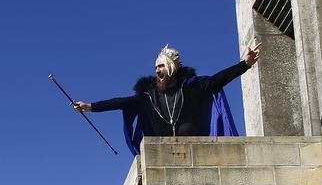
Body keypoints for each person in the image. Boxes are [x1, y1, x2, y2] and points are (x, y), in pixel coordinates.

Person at [72, 43, 261, 154]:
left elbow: (219, 79)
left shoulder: (193, 86)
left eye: (161, 66)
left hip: (194, 147)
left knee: (187, 128)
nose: (157, 70)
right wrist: (90, 106)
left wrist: (245, 64)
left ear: (171, 67)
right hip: (161, 150)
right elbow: (120, 102)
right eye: (156, 67)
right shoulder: (148, 96)